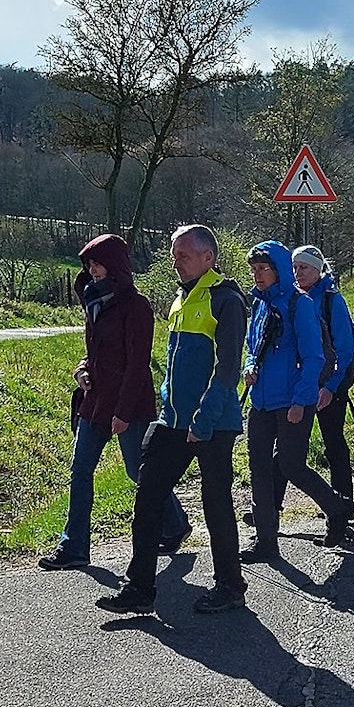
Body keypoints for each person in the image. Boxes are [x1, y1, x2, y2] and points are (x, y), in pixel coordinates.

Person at [98, 225, 247, 615]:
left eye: (182, 254)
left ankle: (230, 585)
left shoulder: (226, 300)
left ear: (207, 258)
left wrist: (204, 418)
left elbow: (227, 368)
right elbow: (176, 367)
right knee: (148, 497)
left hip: (212, 423)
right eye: (173, 253)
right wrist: (167, 409)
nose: (174, 261)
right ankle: (139, 589)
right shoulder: (181, 298)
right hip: (173, 422)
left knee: (216, 503)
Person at [41, 234, 184, 570]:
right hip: (95, 402)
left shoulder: (137, 306)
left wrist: (122, 412)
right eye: (88, 265)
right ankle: (73, 547)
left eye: (97, 263)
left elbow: (138, 364)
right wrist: (81, 371)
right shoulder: (94, 302)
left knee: (139, 472)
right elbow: (93, 354)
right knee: (80, 471)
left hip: (129, 405)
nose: (92, 271)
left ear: (115, 264)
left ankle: (175, 523)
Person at [238, 242, 351, 560]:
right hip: (260, 401)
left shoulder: (298, 304)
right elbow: (252, 345)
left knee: (291, 466)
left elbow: (313, 357)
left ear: (279, 270)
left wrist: (302, 401)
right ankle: (266, 542)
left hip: (292, 402)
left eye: (264, 268)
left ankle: (336, 509)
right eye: (255, 269)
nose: (258, 275)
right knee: (258, 468)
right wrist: (249, 367)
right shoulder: (259, 303)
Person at [292, 245, 354, 513]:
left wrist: (331, 387)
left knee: (333, 443)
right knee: (288, 448)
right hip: (299, 383)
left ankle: (345, 503)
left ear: (318, 270)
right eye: (295, 267)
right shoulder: (292, 298)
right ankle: (270, 507)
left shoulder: (332, 301)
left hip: (329, 384)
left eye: (304, 267)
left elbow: (345, 349)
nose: (298, 273)